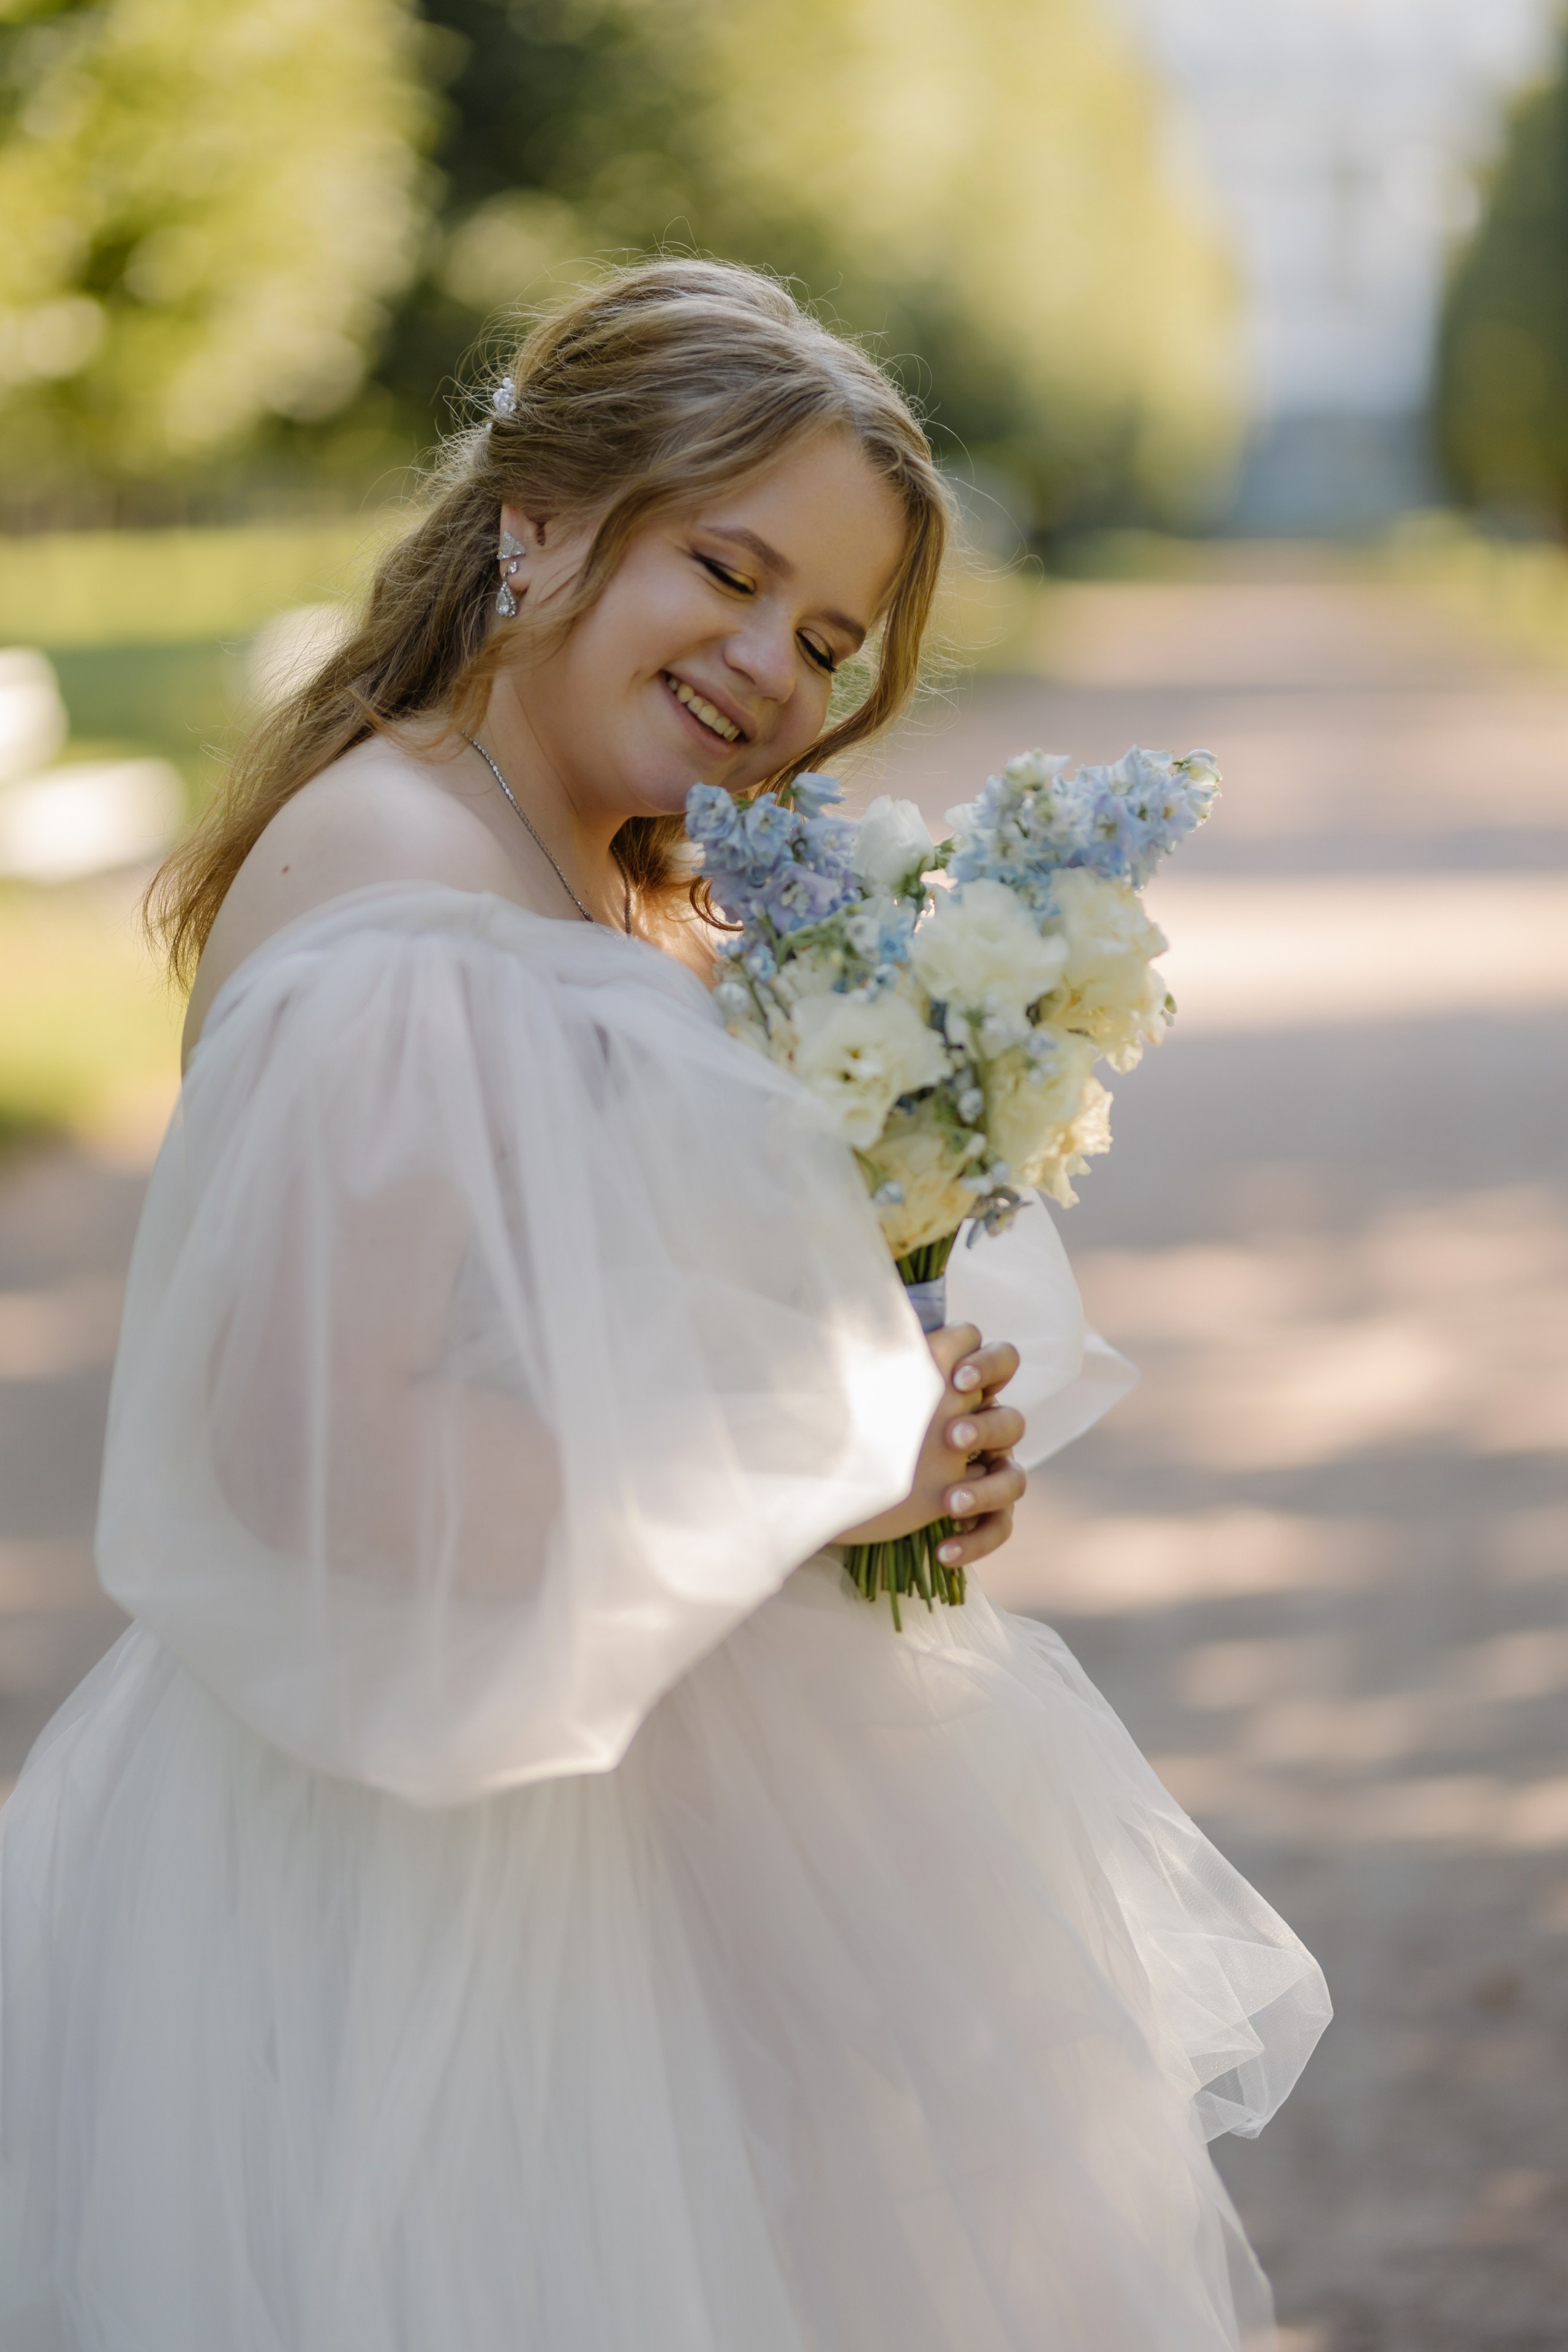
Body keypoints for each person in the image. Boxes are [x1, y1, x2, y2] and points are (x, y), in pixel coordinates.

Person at [0, 258, 1328, 2351]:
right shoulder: (398, 875)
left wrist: (908, 1432)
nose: (771, 664)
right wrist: (816, 1475)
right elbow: (311, 1438)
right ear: (538, 522)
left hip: (677, 1779)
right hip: (446, 1858)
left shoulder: (623, 877)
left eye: (827, 639)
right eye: (728, 568)